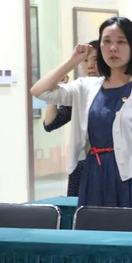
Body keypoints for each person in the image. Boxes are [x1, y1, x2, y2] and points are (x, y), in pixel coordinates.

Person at [30, 17, 132, 222]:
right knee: (94, 234)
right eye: (107, 41)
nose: (113, 48)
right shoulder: (87, 86)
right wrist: (74, 60)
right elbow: (39, 91)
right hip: (95, 175)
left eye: (121, 42)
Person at [42, 39, 100, 197]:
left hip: (109, 163)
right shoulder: (79, 90)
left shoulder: (118, 89)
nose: (90, 66)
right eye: (85, 61)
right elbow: (50, 124)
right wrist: (54, 93)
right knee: (79, 209)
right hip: (82, 162)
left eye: (96, 60)